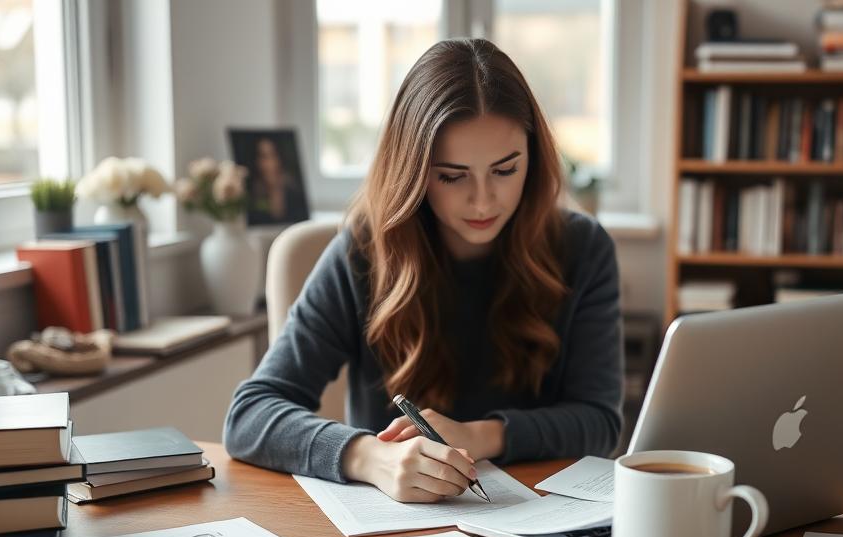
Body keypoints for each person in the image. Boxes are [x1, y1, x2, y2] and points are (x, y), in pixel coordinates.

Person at [224, 38, 623, 503]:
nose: (482, 200)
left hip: (543, 523)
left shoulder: (582, 247)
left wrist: (480, 435)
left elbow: (601, 422)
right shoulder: (365, 253)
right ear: (414, 170)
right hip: (402, 529)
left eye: (505, 170)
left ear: (533, 159)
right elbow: (249, 415)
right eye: (452, 176)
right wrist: (368, 457)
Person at [246, 136, 309, 224]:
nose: (270, 163)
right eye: (264, 157)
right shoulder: (251, 195)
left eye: (273, 155)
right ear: (257, 161)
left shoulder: (294, 191)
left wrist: (276, 190)